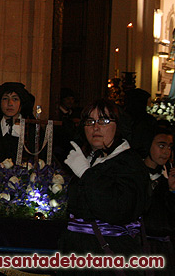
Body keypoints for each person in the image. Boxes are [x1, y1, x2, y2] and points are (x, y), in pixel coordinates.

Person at [59, 99, 150, 267]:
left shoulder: (130, 163)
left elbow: (117, 208)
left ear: (118, 125)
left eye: (104, 120)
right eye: (90, 121)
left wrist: (86, 174)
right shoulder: (89, 158)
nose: (96, 127)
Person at [140, 125, 175, 273]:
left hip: (163, 248)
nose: (166, 152)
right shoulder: (134, 174)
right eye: (161, 145)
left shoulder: (168, 176)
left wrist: (172, 190)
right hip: (139, 246)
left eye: (169, 147)